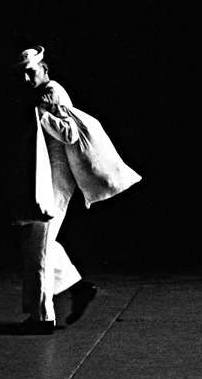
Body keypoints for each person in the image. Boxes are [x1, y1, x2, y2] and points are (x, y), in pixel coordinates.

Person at [12, 46, 141, 334]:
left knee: (39, 247)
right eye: (22, 73)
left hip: (56, 179)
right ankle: (76, 288)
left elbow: (70, 133)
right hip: (45, 176)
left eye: (31, 72)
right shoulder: (39, 94)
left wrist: (41, 117)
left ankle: (43, 318)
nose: (26, 77)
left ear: (44, 70)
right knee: (36, 245)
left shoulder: (51, 92)